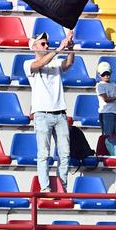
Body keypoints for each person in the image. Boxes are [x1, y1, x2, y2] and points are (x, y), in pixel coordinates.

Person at [25, 31, 75, 193]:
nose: (46, 46)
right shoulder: (28, 63)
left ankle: (63, 187)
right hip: (42, 114)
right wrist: (59, 49)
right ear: (34, 47)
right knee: (44, 154)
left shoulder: (54, 62)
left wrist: (70, 49)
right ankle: (45, 188)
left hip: (59, 112)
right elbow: (37, 65)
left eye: (47, 43)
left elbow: (67, 65)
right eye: (43, 44)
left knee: (65, 154)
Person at [95, 61, 116, 142]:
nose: (106, 76)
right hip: (106, 112)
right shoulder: (100, 85)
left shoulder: (115, 85)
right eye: (103, 74)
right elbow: (106, 99)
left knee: (115, 134)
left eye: (108, 73)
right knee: (108, 135)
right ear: (99, 75)